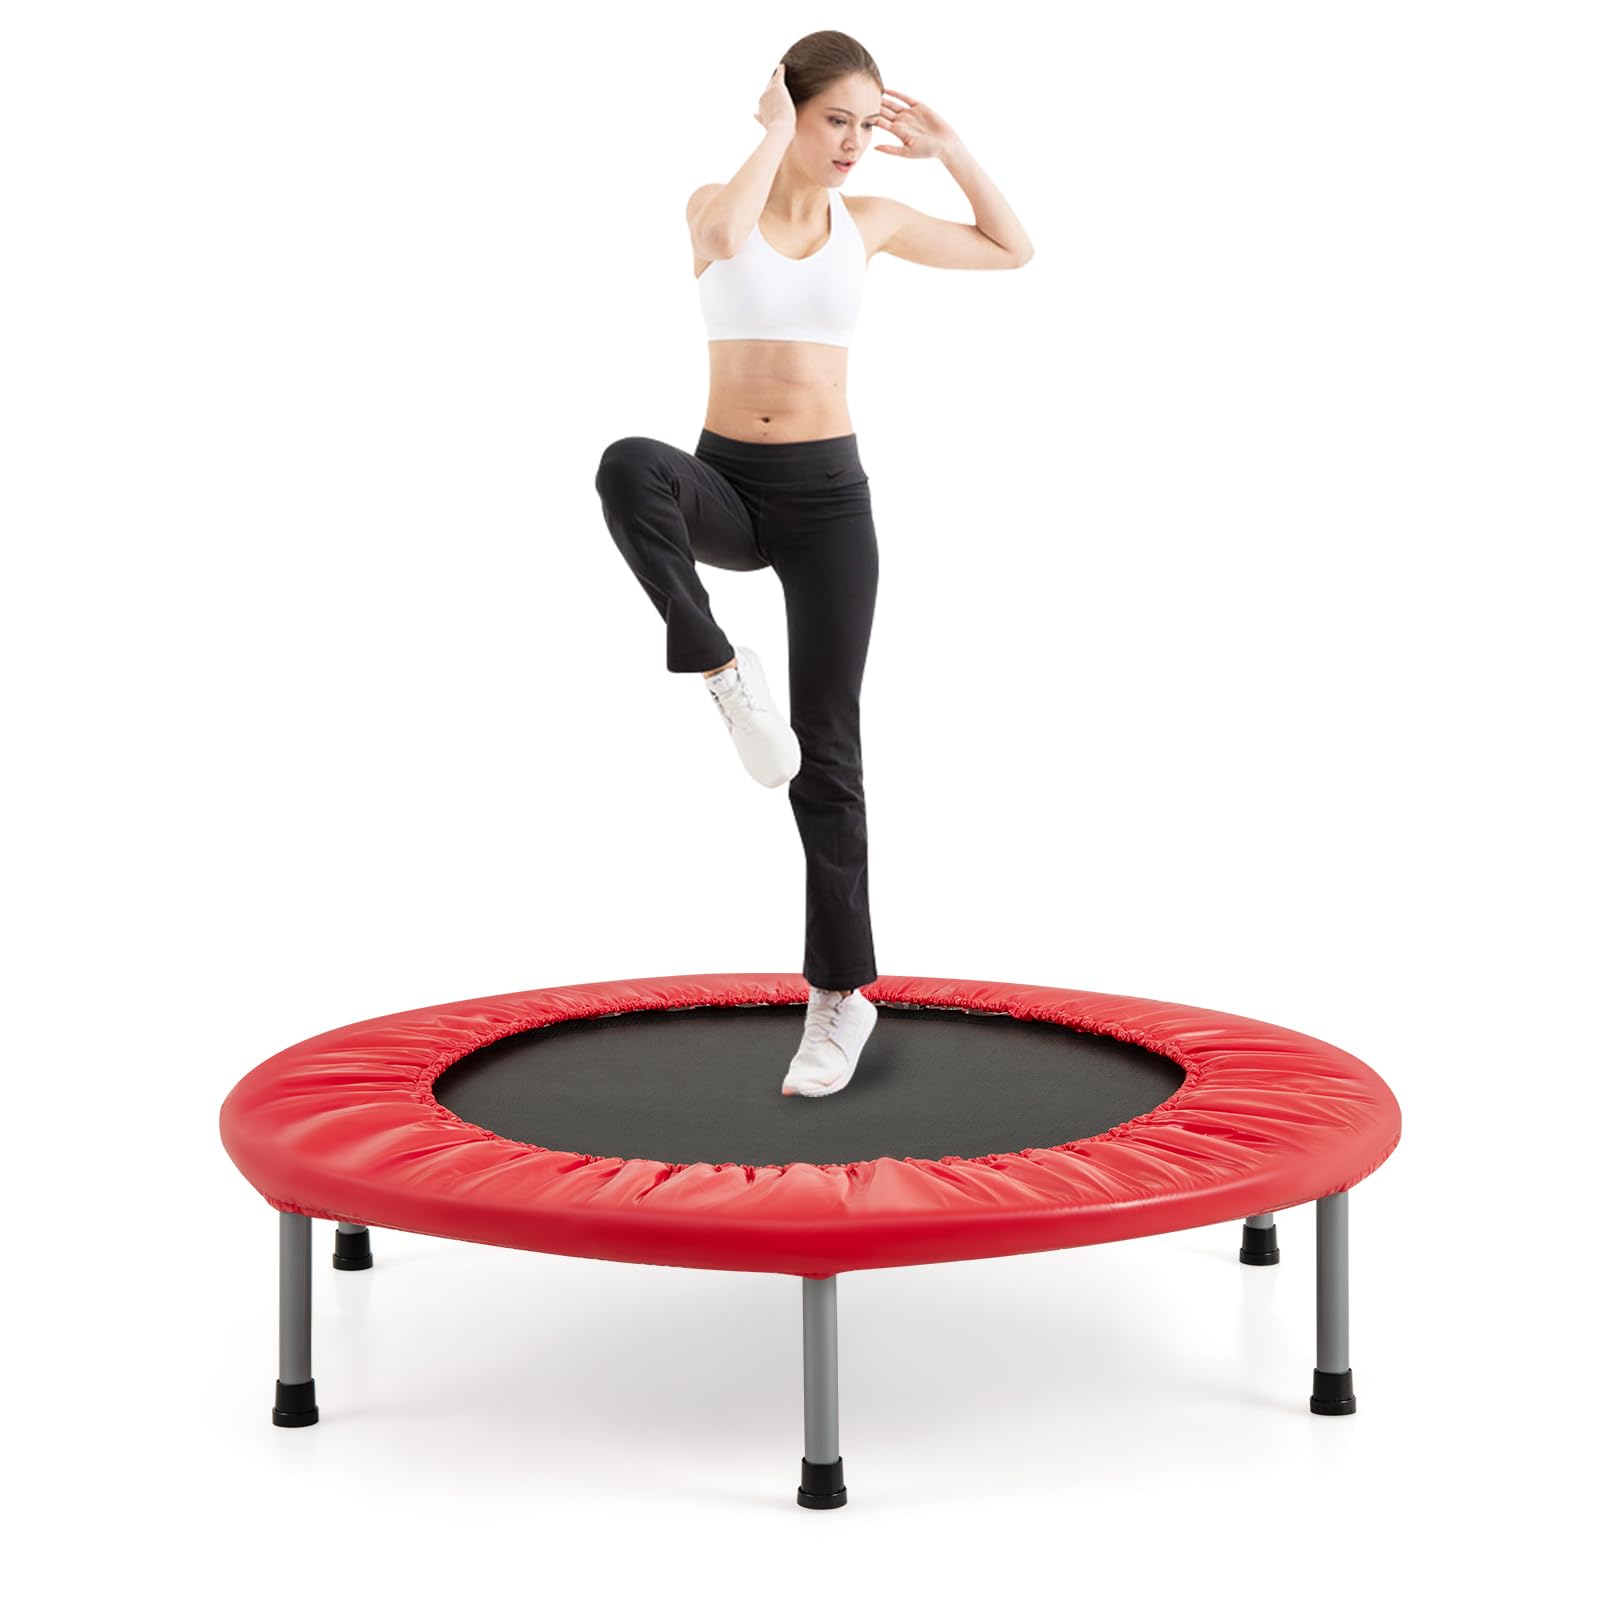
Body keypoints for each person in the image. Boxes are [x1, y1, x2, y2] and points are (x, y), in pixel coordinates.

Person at [594, 31, 1033, 1098]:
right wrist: (767, 132)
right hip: (724, 483)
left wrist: (949, 148)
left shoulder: (867, 222)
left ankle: (840, 995)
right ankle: (718, 668)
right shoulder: (717, 201)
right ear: (787, 110)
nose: (853, 143)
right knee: (627, 465)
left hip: (828, 501)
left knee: (829, 748)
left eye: (866, 125)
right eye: (836, 119)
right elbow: (723, 235)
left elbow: (1010, 248)